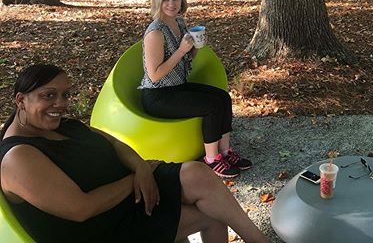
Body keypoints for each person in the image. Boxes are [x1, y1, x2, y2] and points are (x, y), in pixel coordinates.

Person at [0, 64, 270, 243]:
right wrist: (135, 180)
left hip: (128, 198)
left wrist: (141, 167)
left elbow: (116, 144)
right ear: (21, 100)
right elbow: (81, 209)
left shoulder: (63, 126)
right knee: (210, 215)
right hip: (102, 228)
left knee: (197, 174)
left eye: (65, 95)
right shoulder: (18, 157)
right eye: (49, 95)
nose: (60, 104)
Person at [140, 0, 250, 178]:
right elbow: (155, 76)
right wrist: (182, 50)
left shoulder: (179, 23)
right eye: (166, 0)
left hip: (177, 87)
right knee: (211, 106)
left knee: (223, 97)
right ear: (157, 1)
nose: (172, 4)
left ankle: (226, 152)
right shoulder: (155, 33)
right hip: (158, 97)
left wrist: (194, 49)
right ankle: (211, 159)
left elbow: (185, 59)